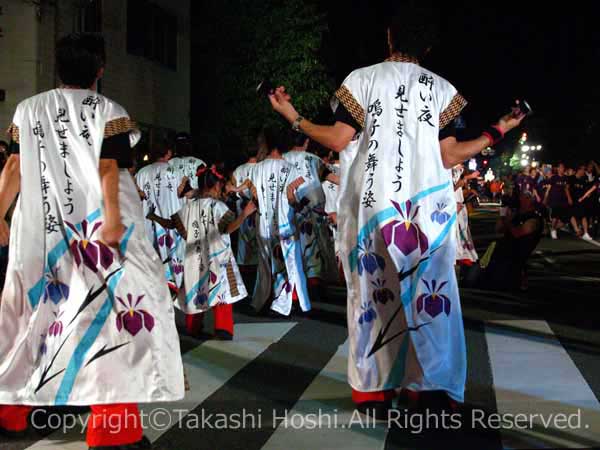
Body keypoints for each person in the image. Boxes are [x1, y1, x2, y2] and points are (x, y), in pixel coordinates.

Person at [268, 5, 525, 417]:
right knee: (431, 297)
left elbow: (337, 139)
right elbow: (451, 154)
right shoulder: (442, 89)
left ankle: (373, 390)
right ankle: (430, 390)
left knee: (372, 296)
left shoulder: (361, 80)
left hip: (374, 210)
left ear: (389, 36)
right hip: (427, 216)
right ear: (425, 45)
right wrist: (499, 129)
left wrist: (292, 116)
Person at [0, 33, 183, 449]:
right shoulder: (108, 111)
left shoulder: (28, 110)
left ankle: (9, 412)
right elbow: (107, 169)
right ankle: (112, 430)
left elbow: (14, 165)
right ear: (100, 70)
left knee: (28, 312)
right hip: (95, 231)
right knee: (112, 318)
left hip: (41, 231)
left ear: (56, 68)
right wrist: (115, 224)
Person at [147, 165, 254, 340]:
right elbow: (227, 228)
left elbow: (173, 224)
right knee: (222, 290)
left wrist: (155, 217)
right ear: (216, 186)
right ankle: (223, 328)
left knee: (195, 289)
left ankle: (193, 326)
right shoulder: (218, 207)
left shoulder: (189, 207)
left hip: (194, 256)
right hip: (218, 256)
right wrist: (244, 214)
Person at [239, 127, 309, 316]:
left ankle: (261, 300)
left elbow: (251, 197)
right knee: (285, 263)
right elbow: (297, 200)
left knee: (264, 262)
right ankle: (280, 303)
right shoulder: (291, 170)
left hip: (263, 223)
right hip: (285, 225)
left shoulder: (256, 170)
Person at [135, 140, 184, 290]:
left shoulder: (142, 173)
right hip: (172, 221)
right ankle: (174, 285)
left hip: (148, 221)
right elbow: (184, 195)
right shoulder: (175, 172)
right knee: (174, 255)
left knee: (151, 255)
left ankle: (152, 287)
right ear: (168, 153)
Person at [283, 133, 329, 288]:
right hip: (313, 206)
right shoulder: (314, 159)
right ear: (307, 142)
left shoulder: (282, 159)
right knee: (313, 242)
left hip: (289, 207)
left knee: (293, 244)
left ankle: (296, 282)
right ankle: (314, 279)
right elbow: (327, 176)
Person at [479, 191, 544, 291]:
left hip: (517, 250)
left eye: (523, 199)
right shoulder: (516, 214)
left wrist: (508, 221)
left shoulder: (534, 218)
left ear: (529, 201)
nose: (520, 201)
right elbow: (498, 229)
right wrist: (503, 216)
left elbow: (518, 233)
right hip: (505, 249)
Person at [231, 145, 260, 267]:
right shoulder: (261, 168)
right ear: (258, 152)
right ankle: (258, 262)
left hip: (243, 207)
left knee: (244, 236)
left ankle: (244, 263)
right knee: (258, 233)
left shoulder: (238, 170)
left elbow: (234, 190)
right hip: (257, 206)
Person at [452, 166, 479, 266]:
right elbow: (452, 188)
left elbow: (457, 189)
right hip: (453, 205)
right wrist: (467, 178)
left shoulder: (456, 169)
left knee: (462, 230)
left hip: (459, 204)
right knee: (457, 232)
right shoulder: (450, 169)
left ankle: (462, 255)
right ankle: (458, 256)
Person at [543, 163, 572, 240]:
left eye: (563, 167)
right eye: (561, 167)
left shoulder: (566, 178)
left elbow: (566, 189)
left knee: (565, 218)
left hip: (563, 200)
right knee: (555, 216)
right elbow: (549, 188)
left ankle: (552, 227)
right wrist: (545, 198)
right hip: (555, 199)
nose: (562, 169)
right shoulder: (554, 177)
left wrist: (569, 198)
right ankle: (553, 230)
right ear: (558, 169)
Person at [569, 165, 593, 240]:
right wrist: (569, 198)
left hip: (581, 201)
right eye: (582, 170)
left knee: (583, 216)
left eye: (584, 170)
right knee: (571, 215)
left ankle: (585, 233)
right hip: (572, 200)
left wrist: (588, 194)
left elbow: (587, 189)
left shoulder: (584, 179)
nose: (584, 171)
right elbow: (566, 189)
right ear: (578, 170)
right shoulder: (571, 178)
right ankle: (577, 229)